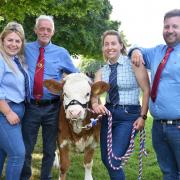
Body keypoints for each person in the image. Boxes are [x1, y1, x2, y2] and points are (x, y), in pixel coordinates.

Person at [20, 15, 78, 180]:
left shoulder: (62, 53)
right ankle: (25, 176)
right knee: (27, 147)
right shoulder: (24, 48)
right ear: (35, 30)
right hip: (30, 106)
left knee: (49, 148)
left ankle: (46, 177)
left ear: (53, 32)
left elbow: (76, 76)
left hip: (53, 108)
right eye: (42, 28)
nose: (45, 32)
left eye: (48, 29)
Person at [91, 30, 150, 180]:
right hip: (109, 115)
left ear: (121, 45)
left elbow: (146, 89)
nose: (110, 47)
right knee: (106, 158)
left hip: (128, 116)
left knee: (113, 160)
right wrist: (95, 104)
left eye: (113, 43)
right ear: (103, 48)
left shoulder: (133, 64)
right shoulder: (101, 71)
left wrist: (143, 117)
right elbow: (95, 96)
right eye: (106, 44)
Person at [130, 9, 180, 180]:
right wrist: (136, 51)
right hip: (158, 127)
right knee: (168, 172)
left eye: (175, 26)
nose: (170, 30)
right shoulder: (158, 51)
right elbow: (134, 49)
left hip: (178, 128)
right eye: (167, 26)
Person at [0, 22, 27, 179]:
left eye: (18, 41)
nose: (14, 44)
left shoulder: (17, 60)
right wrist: (8, 112)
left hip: (17, 110)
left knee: (2, 153)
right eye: (10, 40)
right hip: (5, 112)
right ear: (2, 40)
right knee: (17, 154)